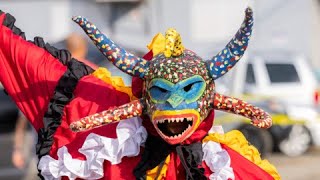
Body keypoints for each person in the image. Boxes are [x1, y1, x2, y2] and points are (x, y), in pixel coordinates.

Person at [0, 7, 280, 179]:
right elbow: (30, 64)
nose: (173, 102)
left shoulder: (223, 166)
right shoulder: (109, 134)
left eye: (186, 90)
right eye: (161, 92)